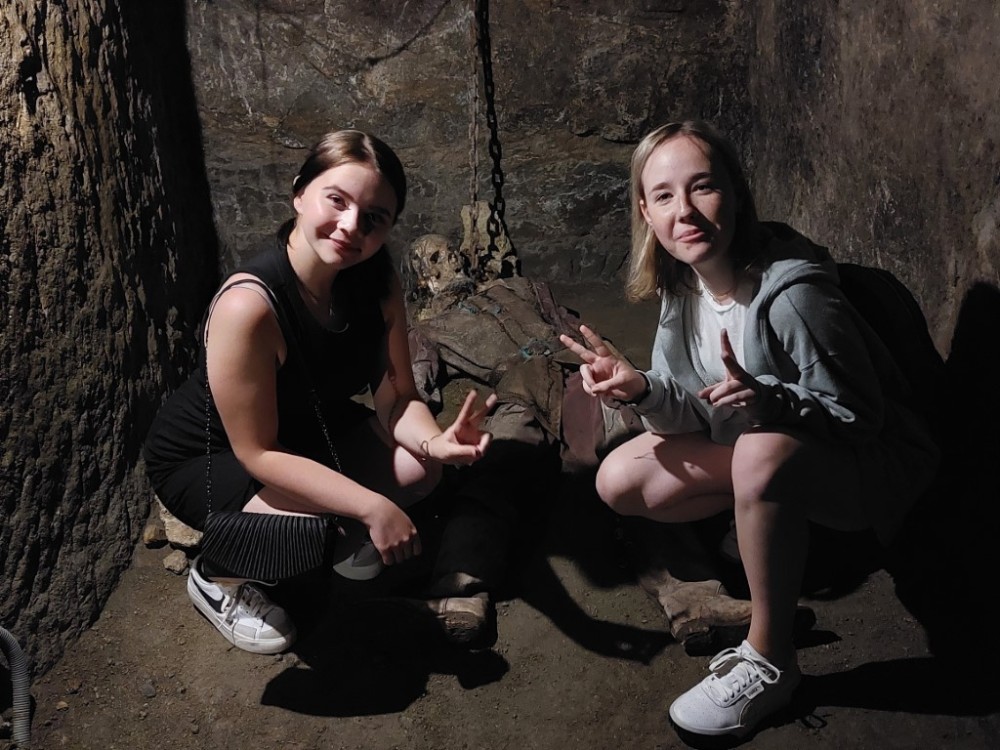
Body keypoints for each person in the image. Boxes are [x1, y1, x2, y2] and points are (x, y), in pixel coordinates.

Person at [560, 120, 938, 738]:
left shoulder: (793, 297)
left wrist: (774, 403)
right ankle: (775, 520)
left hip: (875, 467)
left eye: (703, 187)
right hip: (775, 450)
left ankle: (771, 658)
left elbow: (861, 418)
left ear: (736, 191)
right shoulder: (685, 284)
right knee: (619, 479)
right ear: (646, 213)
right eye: (663, 196)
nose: (685, 211)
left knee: (759, 453)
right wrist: (641, 388)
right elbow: (693, 404)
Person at [143, 130, 495, 655]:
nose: (352, 226)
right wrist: (371, 508)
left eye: (374, 217)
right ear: (300, 193)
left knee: (421, 468)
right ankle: (217, 574)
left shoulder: (376, 281)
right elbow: (257, 453)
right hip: (211, 457)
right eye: (337, 200)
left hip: (306, 428)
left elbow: (397, 397)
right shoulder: (249, 306)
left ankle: (334, 528)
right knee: (309, 534)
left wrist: (434, 442)